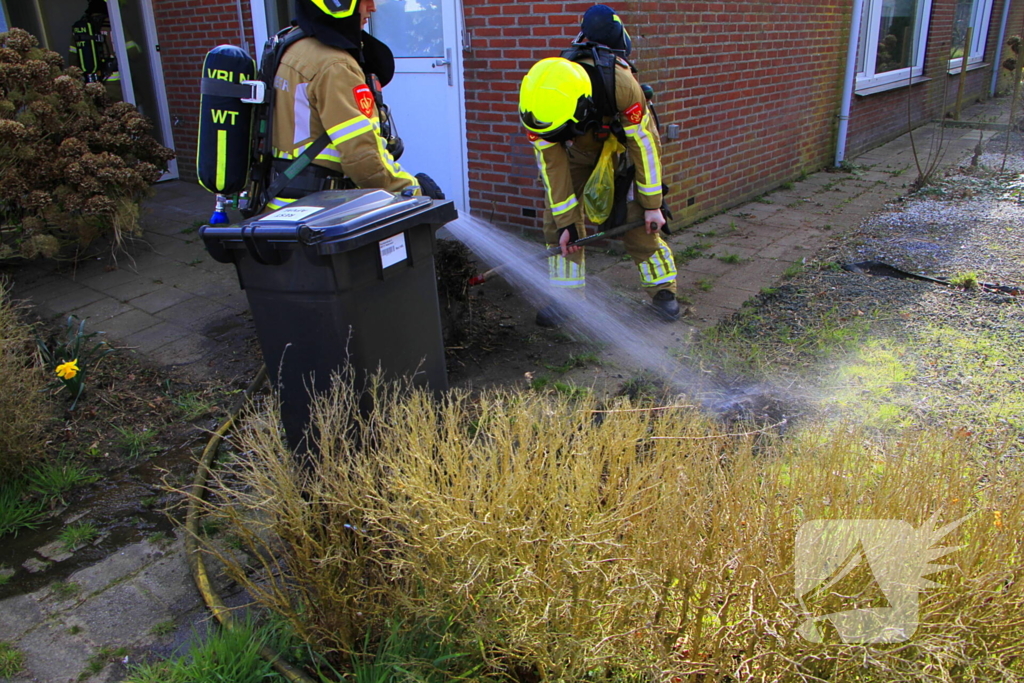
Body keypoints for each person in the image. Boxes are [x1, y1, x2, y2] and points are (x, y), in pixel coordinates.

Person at [518, 4, 679, 325]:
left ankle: (664, 291)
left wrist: (652, 204)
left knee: (638, 223)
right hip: (578, 153)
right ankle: (567, 300)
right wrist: (566, 222)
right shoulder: (537, 102)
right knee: (557, 224)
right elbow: (552, 165)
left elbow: (644, 143)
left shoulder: (621, 84)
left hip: (618, 152)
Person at [264, 0, 442, 211]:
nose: (373, 7)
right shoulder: (335, 65)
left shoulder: (292, 46)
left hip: (283, 209)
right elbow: (363, 160)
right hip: (321, 217)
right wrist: (414, 192)